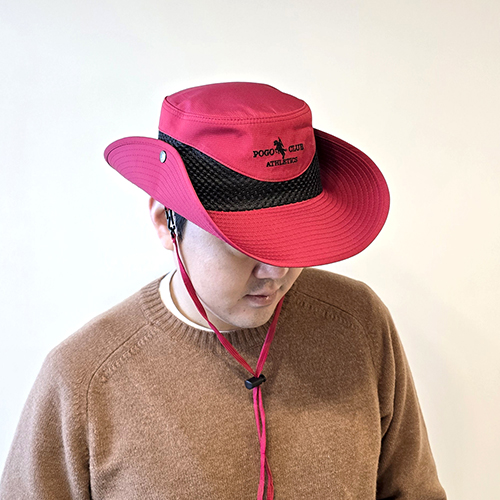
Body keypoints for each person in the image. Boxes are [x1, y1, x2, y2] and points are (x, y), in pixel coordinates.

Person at [0, 82, 446, 499]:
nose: (276, 270)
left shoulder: (357, 322)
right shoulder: (84, 378)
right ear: (165, 222)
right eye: (242, 243)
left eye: (294, 238)